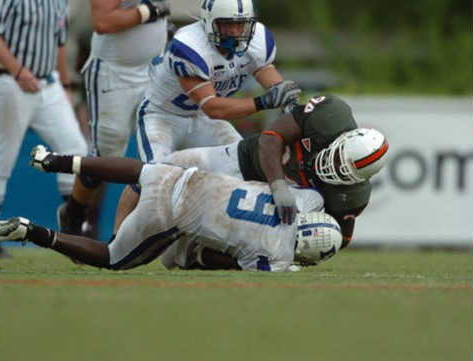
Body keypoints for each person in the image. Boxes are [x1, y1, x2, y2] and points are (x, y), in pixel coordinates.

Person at [0, 145, 343, 271]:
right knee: (111, 257)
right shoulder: (277, 258)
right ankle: (33, 231)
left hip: (189, 178)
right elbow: (223, 261)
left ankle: (55, 160)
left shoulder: (307, 201)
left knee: (140, 170)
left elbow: (307, 195)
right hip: (168, 218)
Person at [108, 0, 301, 234]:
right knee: (152, 175)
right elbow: (213, 107)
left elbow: (267, 76)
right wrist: (262, 102)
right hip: (163, 116)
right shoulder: (190, 45)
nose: (233, 31)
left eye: (239, 24)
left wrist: (288, 100)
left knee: (244, 166)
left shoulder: (257, 40)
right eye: (226, 24)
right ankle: (116, 238)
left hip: (203, 120)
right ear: (209, 23)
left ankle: (239, 238)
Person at [163, 94, 389, 251]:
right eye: (339, 159)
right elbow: (270, 138)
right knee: (164, 170)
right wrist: (278, 185)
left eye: (345, 172)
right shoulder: (330, 117)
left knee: (178, 253)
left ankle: (198, 256)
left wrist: (309, 243)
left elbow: (342, 238)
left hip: (264, 213)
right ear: (343, 140)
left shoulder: (352, 196)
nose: (336, 168)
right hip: (244, 164)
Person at [0, 0, 88, 259]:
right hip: (9, 79)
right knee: (0, 160)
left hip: (48, 83)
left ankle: (72, 232)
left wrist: (66, 85)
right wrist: (19, 70)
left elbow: (59, 43)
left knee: (76, 149)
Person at [57, 0, 172, 236]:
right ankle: (75, 212)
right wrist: (148, 11)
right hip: (115, 73)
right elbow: (103, 22)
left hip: (154, 68)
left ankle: (138, 232)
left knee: (159, 150)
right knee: (107, 154)